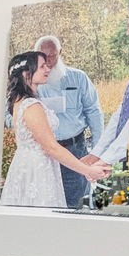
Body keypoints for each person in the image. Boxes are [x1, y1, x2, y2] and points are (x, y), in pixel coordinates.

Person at [1, 50, 114, 209]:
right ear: (27, 74)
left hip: (31, 164)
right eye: (42, 66)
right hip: (38, 170)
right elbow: (52, 147)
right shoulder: (31, 106)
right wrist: (87, 171)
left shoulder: (21, 101)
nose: (48, 69)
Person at [32, 34, 105, 209]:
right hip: (42, 152)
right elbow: (12, 115)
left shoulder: (78, 77)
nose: (48, 61)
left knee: (76, 202)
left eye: (52, 55)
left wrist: (98, 150)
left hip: (74, 149)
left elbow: (94, 112)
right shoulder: (29, 83)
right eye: (43, 56)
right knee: (45, 202)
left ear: (60, 53)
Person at [91, 0, 129, 166]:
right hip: (128, 158)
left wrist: (107, 159)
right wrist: (97, 154)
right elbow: (122, 111)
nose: (128, 32)